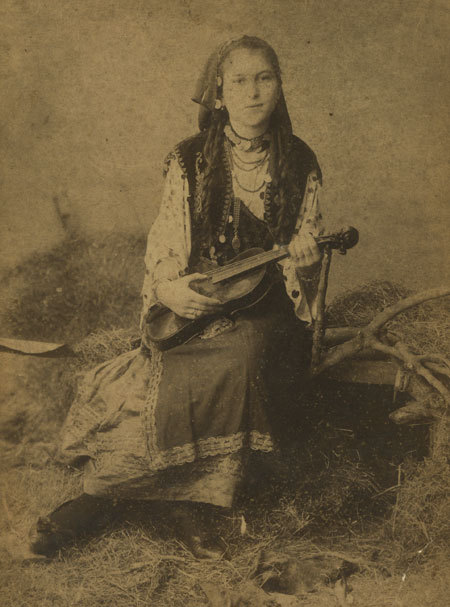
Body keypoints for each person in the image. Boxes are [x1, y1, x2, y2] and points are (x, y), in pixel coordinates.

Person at [27, 35, 324, 560]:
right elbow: (164, 244)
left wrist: (308, 260)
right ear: (219, 92)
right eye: (240, 81)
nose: (253, 93)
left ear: (279, 87)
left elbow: (304, 281)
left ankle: (148, 506)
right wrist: (171, 289)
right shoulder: (190, 160)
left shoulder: (302, 162)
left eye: (265, 79)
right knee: (171, 359)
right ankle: (157, 501)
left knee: (243, 355)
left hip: (266, 309)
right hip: (199, 302)